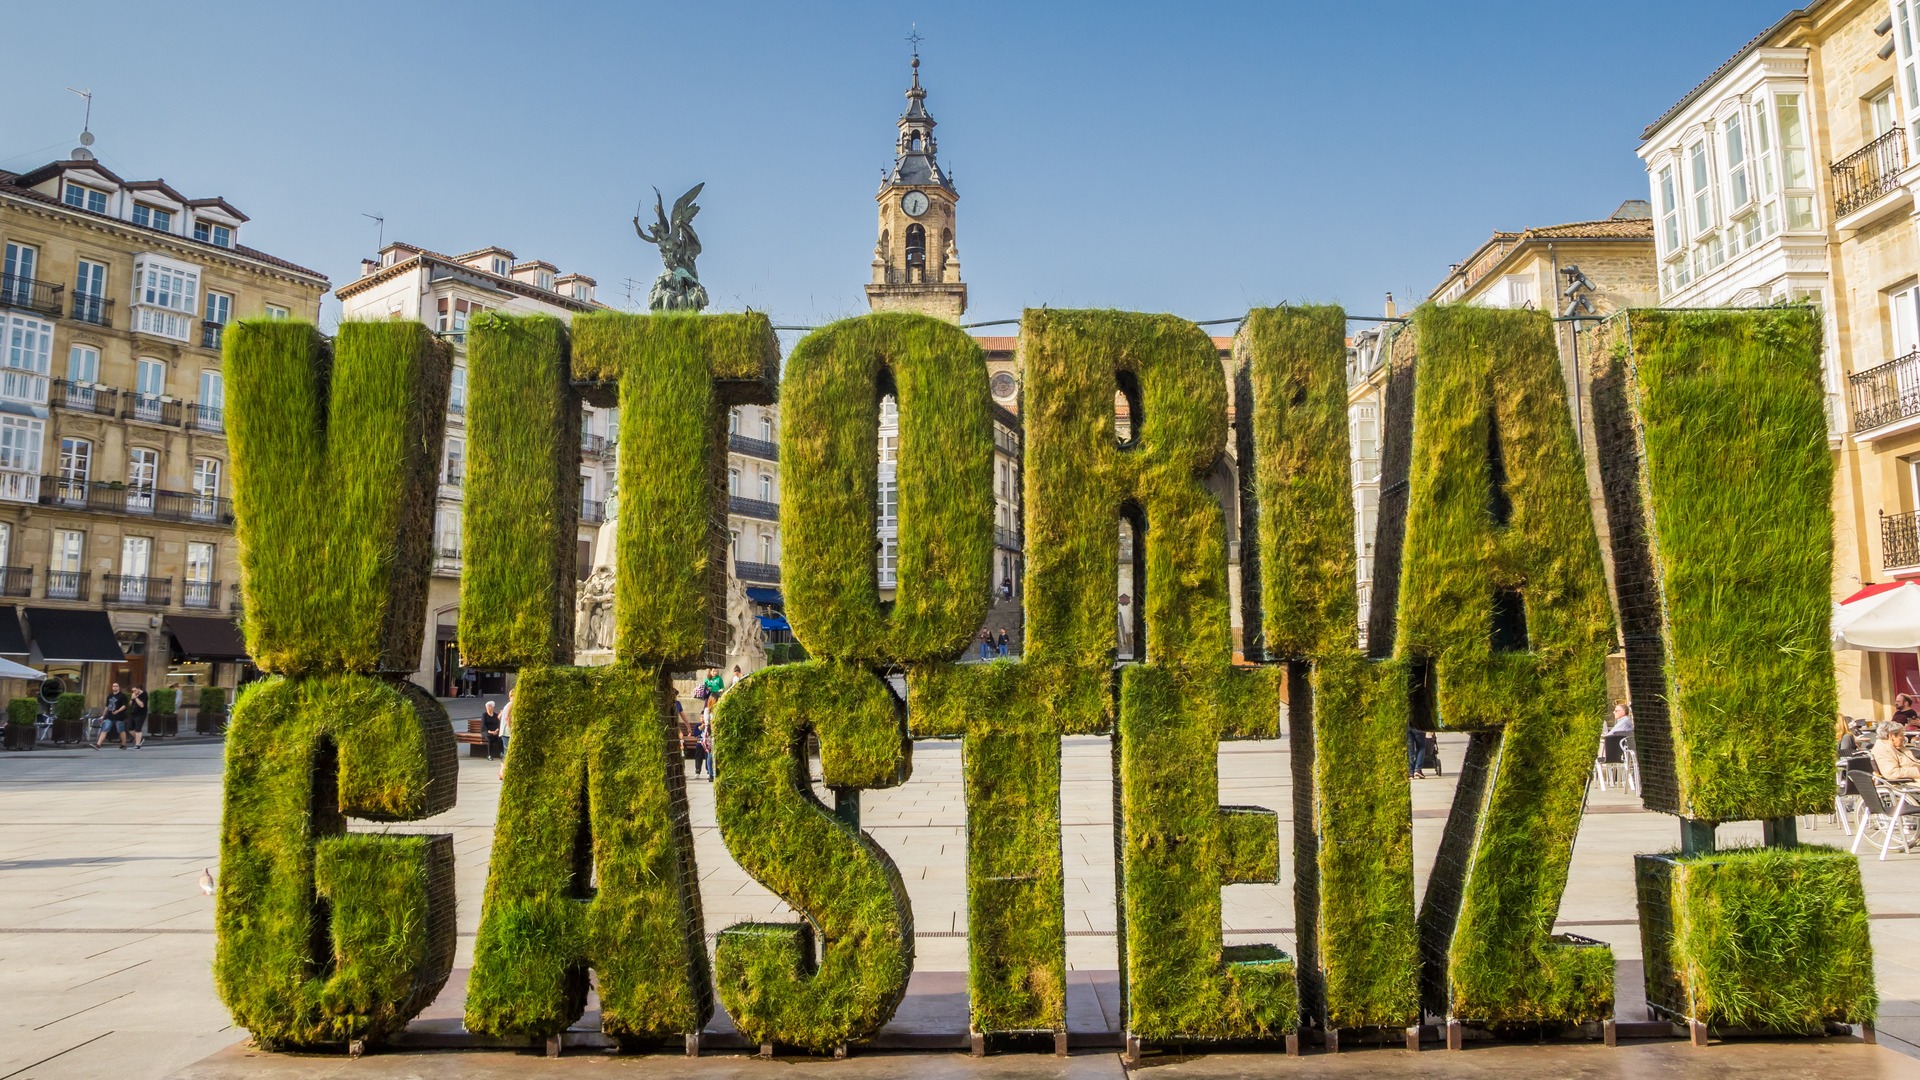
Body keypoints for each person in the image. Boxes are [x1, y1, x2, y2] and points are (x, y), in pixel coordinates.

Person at [92, 682, 130, 750]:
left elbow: (124, 706)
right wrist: (103, 715)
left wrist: (117, 711)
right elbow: (107, 706)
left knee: (120, 730)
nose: (115, 687)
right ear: (112, 688)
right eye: (113, 686)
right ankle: (98, 745)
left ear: (119, 687)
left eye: (116, 686)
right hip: (109, 716)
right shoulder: (109, 696)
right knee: (104, 729)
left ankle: (123, 744)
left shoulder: (122, 696)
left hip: (119, 716)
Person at [496, 693, 512, 779]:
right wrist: (510, 728)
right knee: (507, 752)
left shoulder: (506, 705)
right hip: (507, 732)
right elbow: (507, 718)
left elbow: (499, 717)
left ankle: (502, 771)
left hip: (503, 732)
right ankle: (502, 772)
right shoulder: (511, 704)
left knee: (506, 752)